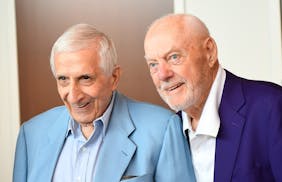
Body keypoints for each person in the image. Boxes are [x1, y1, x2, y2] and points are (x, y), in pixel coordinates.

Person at [13, 23, 196, 182]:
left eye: (85, 78)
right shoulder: (30, 135)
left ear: (114, 77)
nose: (74, 96)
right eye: (63, 79)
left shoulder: (162, 129)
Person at [144, 13, 282, 182]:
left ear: (209, 51)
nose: (163, 74)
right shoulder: (167, 130)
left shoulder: (272, 105)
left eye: (174, 57)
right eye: (153, 64)